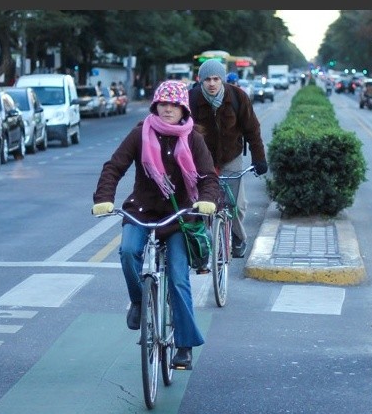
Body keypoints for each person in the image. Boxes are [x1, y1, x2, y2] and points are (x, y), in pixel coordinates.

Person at [91, 80, 220, 370]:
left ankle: (184, 346)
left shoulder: (193, 139)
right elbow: (114, 167)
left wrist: (207, 200)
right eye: (163, 104)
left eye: (174, 104)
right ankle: (138, 301)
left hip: (179, 217)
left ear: (183, 108)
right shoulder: (140, 134)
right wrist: (104, 198)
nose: (168, 109)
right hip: (142, 211)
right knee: (127, 251)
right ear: (155, 106)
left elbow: (209, 177)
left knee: (177, 277)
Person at [188, 59, 268, 258]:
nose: (212, 83)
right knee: (201, 203)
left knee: (236, 205)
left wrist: (259, 158)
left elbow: (252, 129)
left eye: (216, 79)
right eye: (207, 79)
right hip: (201, 159)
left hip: (231, 156)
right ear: (200, 81)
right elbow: (182, 131)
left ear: (222, 80)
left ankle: (238, 238)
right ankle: (204, 241)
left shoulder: (238, 96)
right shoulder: (191, 98)